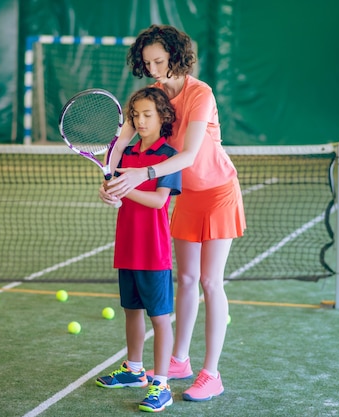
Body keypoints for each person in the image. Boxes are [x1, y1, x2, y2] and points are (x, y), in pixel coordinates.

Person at [100, 24, 246, 402]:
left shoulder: (201, 95)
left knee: (210, 283)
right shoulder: (154, 96)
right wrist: (111, 174)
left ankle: (211, 373)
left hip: (217, 194)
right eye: (147, 62)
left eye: (159, 61)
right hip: (187, 197)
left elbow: (189, 155)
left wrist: (140, 174)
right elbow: (123, 139)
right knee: (185, 279)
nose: (153, 69)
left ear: (177, 56)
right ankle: (178, 361)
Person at [96, 87, 181, 413]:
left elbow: (159, 200)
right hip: (127, 247)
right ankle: (133, 370)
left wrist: (125, 187)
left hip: (154, 251)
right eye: (136, 115)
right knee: (131, 311)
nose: (141, 120)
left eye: (148, 114)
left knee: (160, 319)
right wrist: (109, 193)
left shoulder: (169, 157)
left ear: (163, 117)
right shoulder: (126, 154)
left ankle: (161, 383)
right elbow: (114, 191)